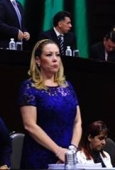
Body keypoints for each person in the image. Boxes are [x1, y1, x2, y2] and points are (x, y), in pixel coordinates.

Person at [19, 39, 82, 169]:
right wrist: (58, 151)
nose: (55, 59)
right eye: (49, 55)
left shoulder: (67, 86)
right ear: (38, 60)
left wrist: (71, 150)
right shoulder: (29, 87)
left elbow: (77, 122)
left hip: (68, 157)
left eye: (57, 55)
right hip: (40, 157)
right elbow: (30, 125)